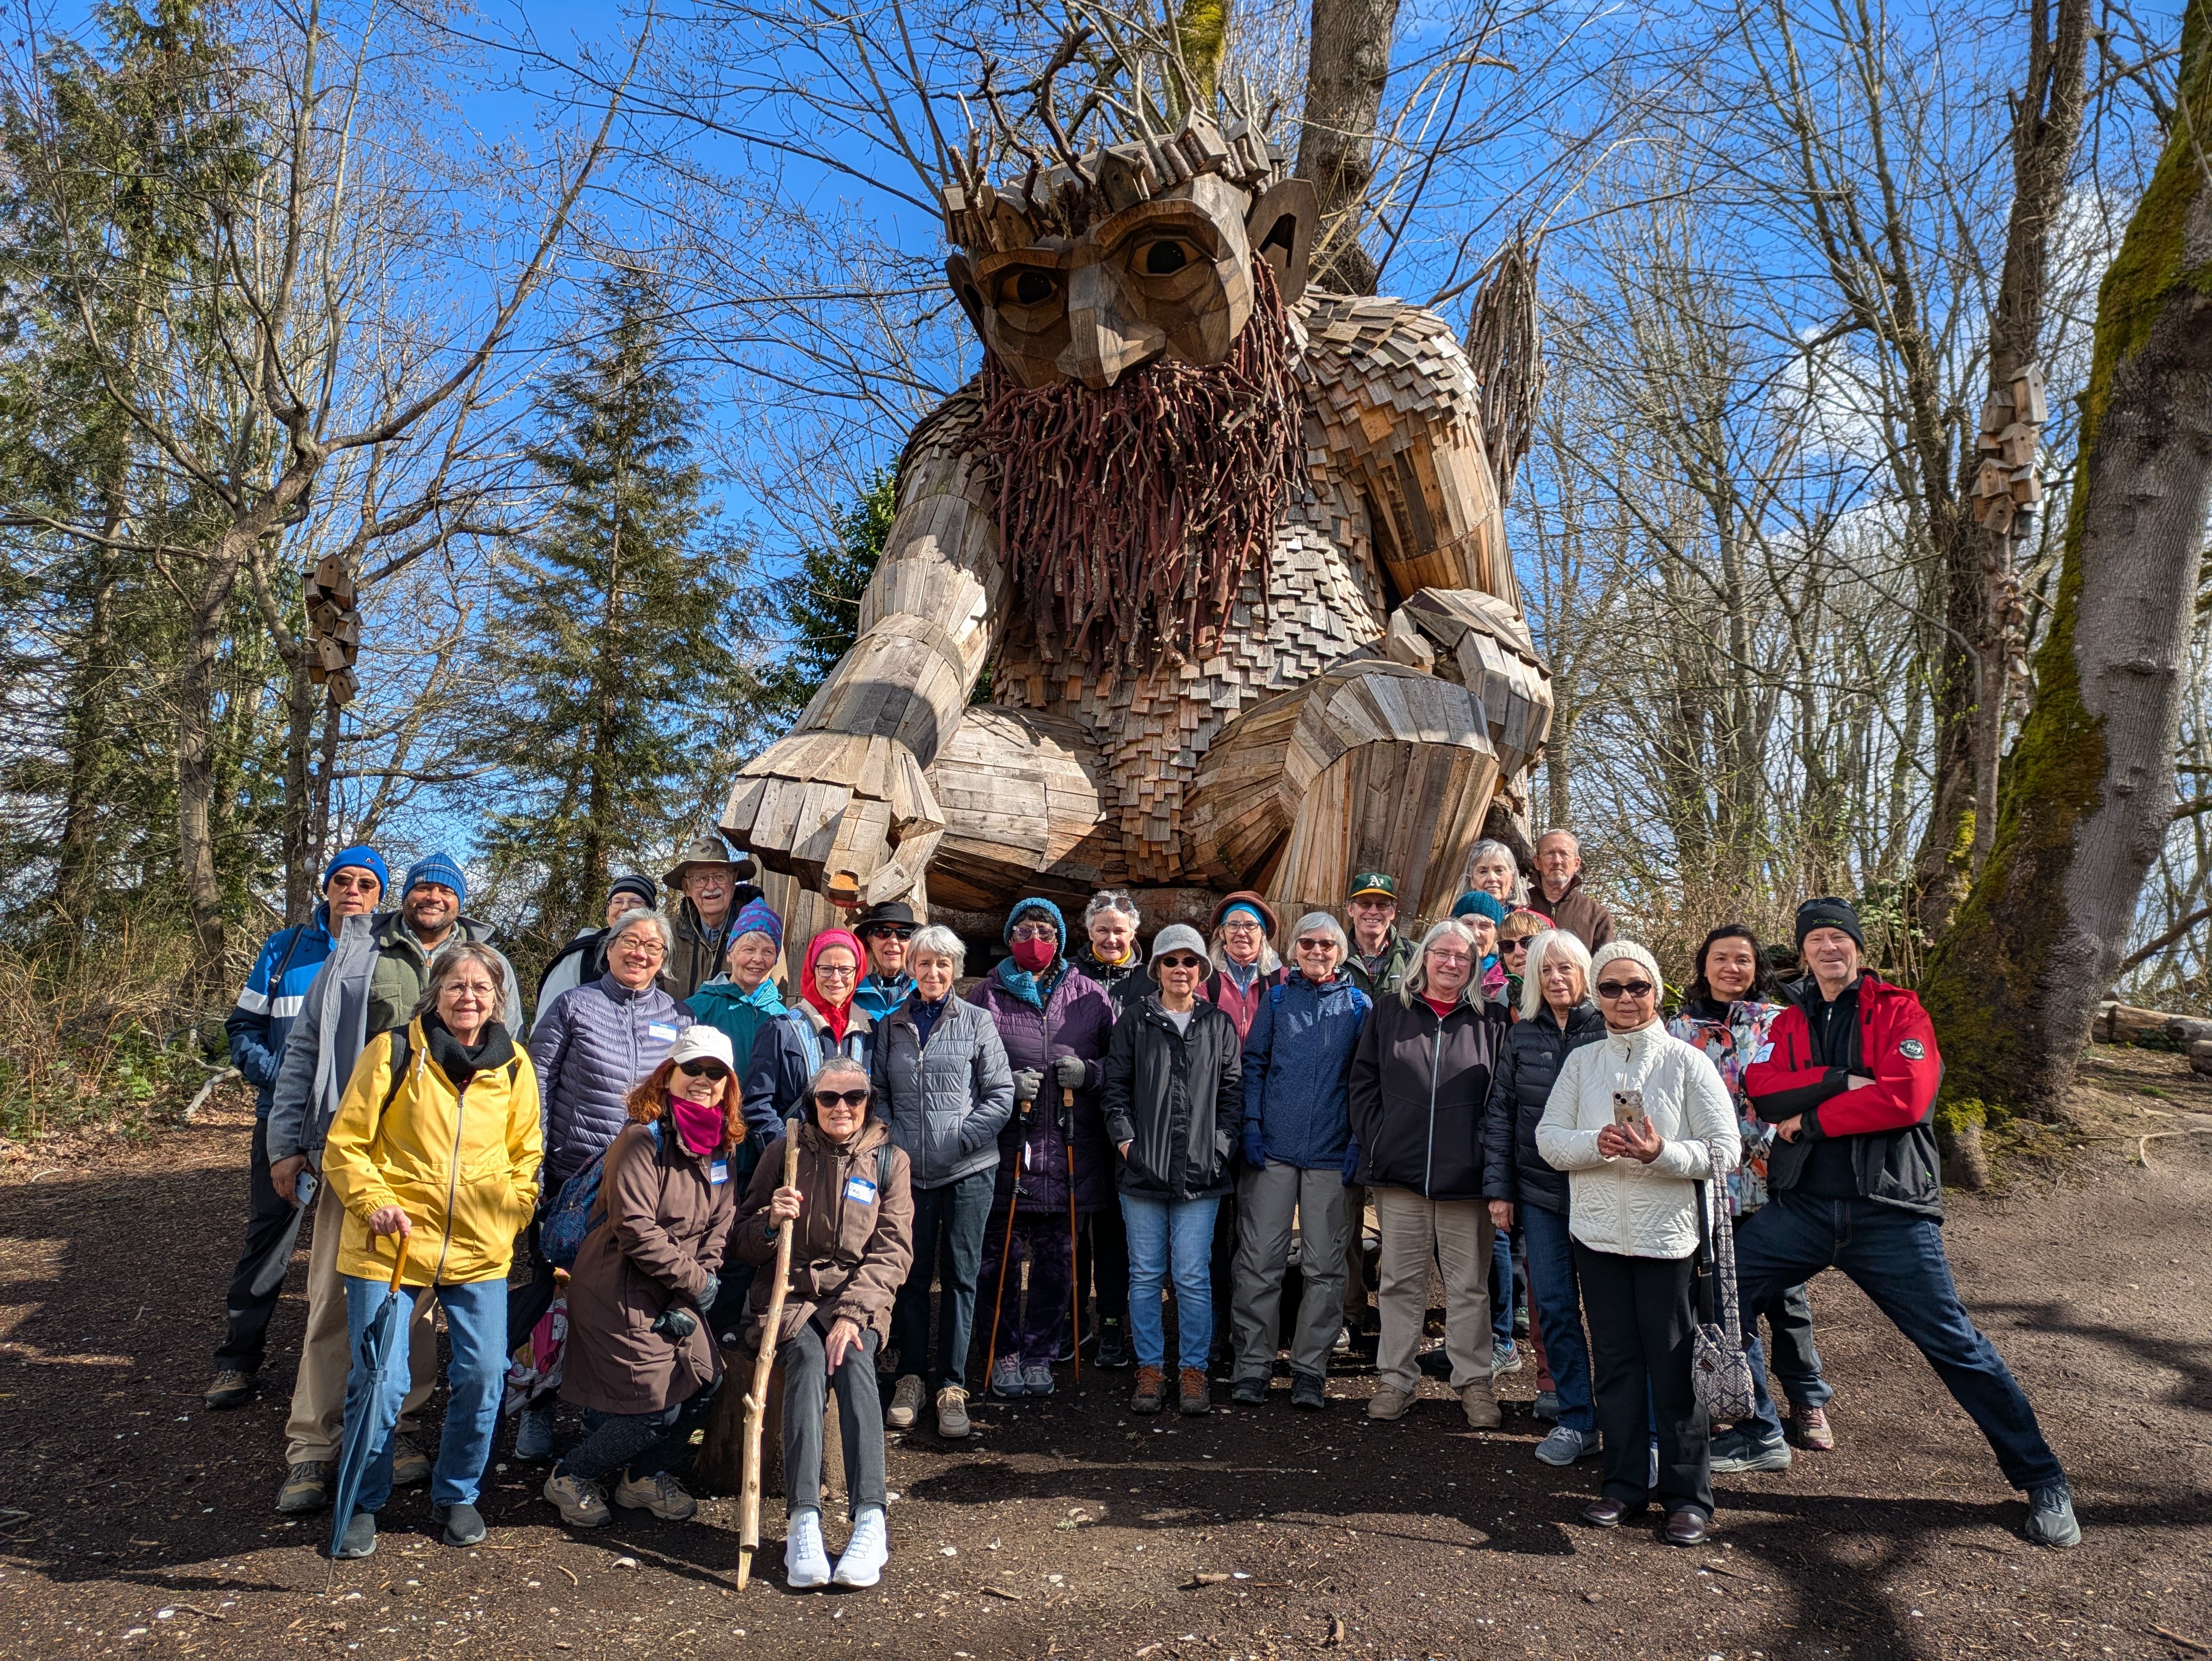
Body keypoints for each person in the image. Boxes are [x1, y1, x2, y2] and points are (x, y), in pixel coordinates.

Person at [1734, 897, 2080, 1548]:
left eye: (1839, 938)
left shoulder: (1900, 1011)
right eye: (1816, 940)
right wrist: (1845, 1080)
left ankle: (2043, 1477)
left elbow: (1908, 1098)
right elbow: (1765, 1090)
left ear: (1857, 947)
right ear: (1802, 952)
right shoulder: (1790, 1020)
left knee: (1955, 1345)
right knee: (1720, 1296)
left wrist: (1814, 1116)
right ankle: (1754, 1432)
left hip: (1888, 1212)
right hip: (1803, 1207)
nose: (1829, 948)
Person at [264, 853, 525, 1516]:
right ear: (404, 895)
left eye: (446, 888)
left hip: (460, 1203)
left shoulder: (490, 965)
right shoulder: (359, 951)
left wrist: (511, 1205)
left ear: (460, 901)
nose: (433, 896)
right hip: (365, 1169)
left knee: (421, 1326)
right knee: (334, 1307)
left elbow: (509, 1082)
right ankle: (314, 1446)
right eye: (422, 886)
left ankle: (396, 1431)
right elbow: (306, 1047)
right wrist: (287, 1142)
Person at [322, 944, 542, 1556]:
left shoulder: (515, 1064)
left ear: (498, 999)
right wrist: (373, 1203)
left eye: (481, 988)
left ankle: (458, 1492)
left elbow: (527, 1154)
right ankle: (362, 1499)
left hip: (480, 1248)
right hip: (391, 1245)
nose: (468, 997)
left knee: (484, 1373)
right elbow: (346, 1143)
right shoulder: (393, 1051)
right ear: (435, 992)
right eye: (456, 985)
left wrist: (513, 1212)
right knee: (381, 1379)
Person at [1537, 941, 1738, 1548]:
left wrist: (1661, 1153)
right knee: (1616, 1364)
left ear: (1656, 990)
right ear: (1597, 995)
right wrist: (1593, 1144)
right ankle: (1622, 1484)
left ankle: (1687, 1497)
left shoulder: (1687, 1061)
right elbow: (1548, 1138)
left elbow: (1725, 1151)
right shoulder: (1582, 1062)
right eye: (1611, 987)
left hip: (1669, 1241)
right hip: (1597, 1236)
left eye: (1637, 986)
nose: (1625, 998)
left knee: (1674, 1369)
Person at [206, 845, 387, 1411]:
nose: (352, 891)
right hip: (285, 1120)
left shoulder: (387, 953)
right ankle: (238, 1360)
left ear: (380, 896)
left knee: (358, 1245)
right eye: (343, 880)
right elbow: (244, 1026)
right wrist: (279, 1077)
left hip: (359, 1130)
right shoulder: (284, 949)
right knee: (269, 1237)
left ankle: (359, 1370)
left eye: (366, 884)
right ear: (326, 888)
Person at [510, 910, 696, 1458]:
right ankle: (537, 1405)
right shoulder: (575, 1005)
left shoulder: (678, 1016)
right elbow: (536, 1085)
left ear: (664, 961)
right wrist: (536, 1169)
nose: (640, 953)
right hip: (573, 1179)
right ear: (609, 949)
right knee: (554, 1293)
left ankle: (604, 1415)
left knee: (623, 1298)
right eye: (630, 942)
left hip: (642, 1183)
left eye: (653, 947)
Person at [542, 1028, 739, 1529]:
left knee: (708, 1382)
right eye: (693, 1068)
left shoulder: (721, 1147)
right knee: (653, 1407)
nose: (704, 1079)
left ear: (728, 1085)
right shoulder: (641, 1139)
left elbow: (719, 1227)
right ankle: (572, 1474)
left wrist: (694, 1290)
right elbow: (636, 1229)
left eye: (716, 1072)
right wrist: (697, 1286)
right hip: (618, 1286)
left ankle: (642, 1477)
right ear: (668, 1075)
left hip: (679, 1288)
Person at [733, 1057, 914, 1591]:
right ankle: (803, 1520)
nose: (842, 1107)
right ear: (812, 1103)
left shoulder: (890, 1161)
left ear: (868, 1102)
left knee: (854, 1357)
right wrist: (770, 1221)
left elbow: (893, 1251)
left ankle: (870, 1519)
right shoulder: (784, 1153)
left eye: (853, 1097)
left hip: (859, 1297)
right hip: (789, 1297)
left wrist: (854, 1313)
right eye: (828, 1097)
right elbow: (742, 1242)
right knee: (809, 1359)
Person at [1668, 925, 1835, 1456]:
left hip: (1772, 1177)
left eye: (1742, 959)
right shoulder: (1679, 1027)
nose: (1731, 968)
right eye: (1721, 958)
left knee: (1786, 1295)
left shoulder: (1781, 1022)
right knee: (1721, 1296)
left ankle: (1806, 1397)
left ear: (1756, 967)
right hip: (1709, 1182)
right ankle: (1734, 1399)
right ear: (1704, 965)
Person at [1348, 919, 1511, 1427]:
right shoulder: (1389, 1013)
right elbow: (1363, 1082)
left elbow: (1502, 1101)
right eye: (1442, 953)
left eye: (1463, 957)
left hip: (1466, 1178)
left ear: (1474, 966)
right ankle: (1396, 1379)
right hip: (1400, 1173)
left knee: (1469, 1286)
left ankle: (1474, 1381)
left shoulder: (1493, 1021)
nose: (1451, 963)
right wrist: (1379, 1138)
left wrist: (1483, 1155)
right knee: (1400, 1282)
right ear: (1424, 958)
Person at [874, 926, 1015, 1440]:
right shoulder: (892, 1025)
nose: (933, 972)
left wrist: (962, 1139)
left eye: (942, 964)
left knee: (960, 1275)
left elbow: (1000, 1093)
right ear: (911, 968)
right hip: (908, 1173)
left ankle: (952, 1385)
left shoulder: (977, 1021)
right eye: (924, 963)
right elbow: (879, 1092)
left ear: (955, 970)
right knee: (910, 1275)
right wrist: (896, 1145)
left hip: (967, 1171)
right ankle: (911, 1377)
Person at [972, 898, 1116, 1397]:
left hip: (1068, 1152)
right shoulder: (986, 994)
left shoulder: (1090, 996)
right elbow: (965, 1063)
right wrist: (1003, 1084)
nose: (1034, 939)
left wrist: (1089, 1074)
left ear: (1060, 939)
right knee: (999, 1264)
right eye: (1024, 930)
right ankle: (1003, 1351)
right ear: (1009, 937)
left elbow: (1119, 1066)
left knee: (1058, 1266)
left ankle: (1040, 1353)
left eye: (1045, 931)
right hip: (1007, 1152)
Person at [1102, 923, 1243, 1418]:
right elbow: (1115, 1088)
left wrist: (1220, 1149)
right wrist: (1126, 1142)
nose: (1180, 969)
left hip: (1201, 1173)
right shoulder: (1134, 1021)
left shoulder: (1218, 1024)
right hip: (1142, 1171)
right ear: (1156, 968)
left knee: (1192, 1276)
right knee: (1144, 1274)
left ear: (1202, 970)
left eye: (1189, 961)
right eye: (1171, 961)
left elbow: (1233, 1093)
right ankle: (1150, 1368)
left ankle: (1193, 1370)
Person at [1230, 913, 1370, 1410]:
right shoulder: (1276, 1000)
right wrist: (1251, 1123)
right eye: (1308, 943)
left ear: (1340, 952)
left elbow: (1365, 1079)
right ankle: (1253, 1365)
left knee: (1325, 1266)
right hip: (1273, 1151)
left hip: (1331, 1154)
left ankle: (1310, 1368)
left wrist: (1358, 1140)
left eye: (1327, 944)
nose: (1317, 951)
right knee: (1260, 1261)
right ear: (1294, 950)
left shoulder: (1358, 1005)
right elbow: (1254, 1064)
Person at [1482, 929, 1605, 1465]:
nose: (1556, 978)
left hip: (1602, 1191)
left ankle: (1623, 1416)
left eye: (1565, 968)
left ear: (1584, 972)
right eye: (1546, 970)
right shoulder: (1522, 1035)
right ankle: (1576, 1417)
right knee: (1553, 1306)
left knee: (1609, 1311)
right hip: (1539, 1194)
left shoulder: (1606, 1029)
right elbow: (1501, 1114)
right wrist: (1500, 1191)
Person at [1067, 889, 1145, 1369]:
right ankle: (1073, 1320)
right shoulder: (1069, 976)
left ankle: (1113, 1319)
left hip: (1128, 1120)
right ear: (1088, 931)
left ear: (1133, 933)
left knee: (1116, 1231)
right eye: (1103, 930)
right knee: (1074, 1227)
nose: (1111, 938)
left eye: (1120, 930)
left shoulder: (1148, 981)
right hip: (1076, 1117)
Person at [1340, 872, 1413, 1352]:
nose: (1373, 911)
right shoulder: (1331, 951)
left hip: (1400, 1103)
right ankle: (1349, 1313)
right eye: (1364, 903)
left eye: (1382, 904)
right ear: (1350, 909)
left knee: (1400, 1222)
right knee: (1344, 1220)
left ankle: (1396, 1318)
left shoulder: (1415, 959)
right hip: (1341, 1099)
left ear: (1393, 911)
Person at [742, 929, 875, 1141]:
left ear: (857, 973)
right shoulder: (781, 1029)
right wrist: (787, 1149)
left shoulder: (870, 1031)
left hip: (855, 1155)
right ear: (813, 971)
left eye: (845, 970)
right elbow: (758, 1103)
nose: (836, 978)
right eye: (826, 969)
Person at [685, 897, 789, 1071]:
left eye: (768, 952)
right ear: (730, 955)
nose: (758, 959)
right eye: (749, 949)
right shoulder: (698, 1009)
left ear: (775, 961)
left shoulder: (783, 1017)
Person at [536, 873, 658, 1019]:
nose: (625, 907)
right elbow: (551, 1014)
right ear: (607, 913)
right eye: (617, 901)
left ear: (650, 913)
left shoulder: (657, 955)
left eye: (635, 901)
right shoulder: (580, 954)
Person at [660, 836, 763, 1001]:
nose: (711, 886)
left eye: (720, 876)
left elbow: (771, 1000)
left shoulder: (760, 933)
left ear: (733, 881)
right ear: (687, 888)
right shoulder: (667, 934)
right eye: (701, 878)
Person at [1531, 830, 1615, 951]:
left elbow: (1604, 962)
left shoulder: (1597, 915)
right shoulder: (1520, 905)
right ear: (1537, 862)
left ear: (1576, 864)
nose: (1557, 861)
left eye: (1564, 854)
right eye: (1549, 853)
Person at [851, 900, 919, 1019]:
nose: (893, 941)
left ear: (912, 943)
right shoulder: (851, 990)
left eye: (904, 933)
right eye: (883, 932)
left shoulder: (923, 991)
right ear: (871, 941)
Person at [1451, 890, 1512, 1000]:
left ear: (1497, 934)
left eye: (1485, 926)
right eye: (1468, 924)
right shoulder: (1439, 965)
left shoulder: (1508, 978)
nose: (1476, 933)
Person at [1494, 908, 1552, 1009]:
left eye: (1527, 942)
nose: (1518, 952)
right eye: (1508, 946)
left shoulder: (1564, 990)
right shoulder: (1503, 998)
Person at [1464, 838, 1529, 908]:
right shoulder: (1459, 914)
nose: (1492, 878)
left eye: (1499, 870)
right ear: (1473, 880)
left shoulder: (1526, 915)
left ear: (1512, 878)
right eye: (1483, 872)